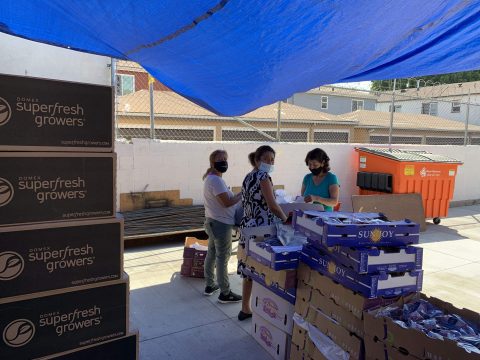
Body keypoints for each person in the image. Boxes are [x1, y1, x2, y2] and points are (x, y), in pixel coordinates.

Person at [238, 145, 288, 321]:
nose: (270, 162)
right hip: (262, 230)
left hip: (248, 227)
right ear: (258, 160)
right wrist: (285, 219)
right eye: (266, 159)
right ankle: (266, 309)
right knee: (263, 268)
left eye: (273, 160)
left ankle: (245, 308)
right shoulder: (263, 176)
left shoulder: (248, 176)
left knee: (249, 268)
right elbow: (273, 205)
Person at [202, 149, 242, 303]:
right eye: (220, 159)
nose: (224, 162)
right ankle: (225, 292)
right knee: (222, 257)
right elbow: (226, 203)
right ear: (213, 163)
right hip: (221, 224)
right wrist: (240, 195)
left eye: (225, 159)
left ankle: (210, 285)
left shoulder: (210, 179)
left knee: (212, 253)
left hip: (212, 222)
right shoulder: (216, 181)